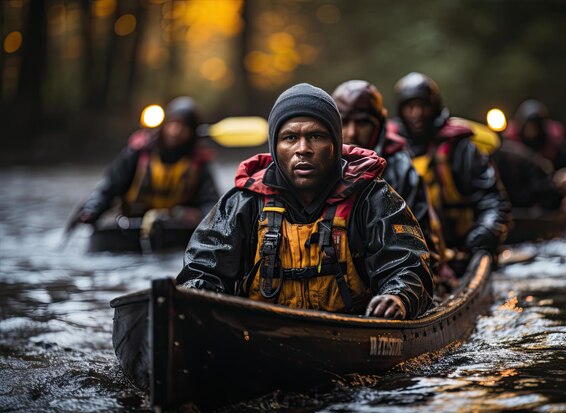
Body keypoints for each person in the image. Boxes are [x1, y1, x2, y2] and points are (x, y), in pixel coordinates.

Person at [177, 83, 434, 319]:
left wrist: (398, 297)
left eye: (316, 136)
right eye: (290, 138)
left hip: (351, 333)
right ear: (274, 147)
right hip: (262, 334)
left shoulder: (373, 198)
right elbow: (203, 270)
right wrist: (194, 297)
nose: (303, 148)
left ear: (335, 143)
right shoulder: (243, 202)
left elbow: (407, 266)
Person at [388, 72, 511, 260]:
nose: (417, 114)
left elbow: (492, 200)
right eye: (410, 107)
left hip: (464, 248)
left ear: (435, 108)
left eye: (423, 106)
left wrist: (485, 233)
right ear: (401, 111)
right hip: (414, 252)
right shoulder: (393, 153)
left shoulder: (462, 150)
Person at [331, 79, 445, 270]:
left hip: (388, 272)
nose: (351, 133)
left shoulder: (400, 167)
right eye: (344, 123)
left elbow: (421, 242)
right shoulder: (316, 166)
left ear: (377, 127)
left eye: (362, 123)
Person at [72, 96, 219, 227]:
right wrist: (92, 210)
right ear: (164, 125)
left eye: (183, 127)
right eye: (173, 124)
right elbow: (110, 186)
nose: (175, 131)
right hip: (134, 222)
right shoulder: (138, 153)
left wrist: (207, 223)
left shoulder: (199, 163)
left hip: (175, 226)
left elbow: (209, 201)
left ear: (192, 133)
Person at [504, 99, 566, 170]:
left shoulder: (554, 137)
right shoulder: (511, 138)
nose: (532, 129)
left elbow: (565, 158)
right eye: (529, 125)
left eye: (535, 125)